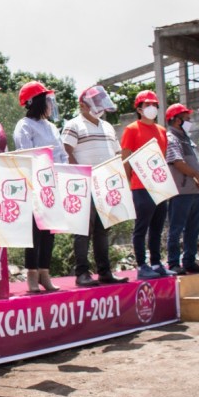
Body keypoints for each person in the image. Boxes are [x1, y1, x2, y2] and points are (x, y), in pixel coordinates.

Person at [62, 86, 128, 287]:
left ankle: (105, 272)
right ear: (82, 105)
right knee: (83, 229)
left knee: (103, 229)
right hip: (84, 184)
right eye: (95, 103)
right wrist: (78, 178)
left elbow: (117, 153)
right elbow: (67, 152)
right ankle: (82, 273)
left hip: (106, 184)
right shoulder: (73, 125)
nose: (99, 107)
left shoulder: (107, 127)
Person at [13, 81, 67, 292]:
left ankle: (45, 272)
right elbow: (26, 154)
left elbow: (61, 153)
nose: (50, 105)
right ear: (36, 102)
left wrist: (63, 172)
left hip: (53, 185)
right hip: (35, 184)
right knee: (34, 232)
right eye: (47, 100)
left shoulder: (52, 127)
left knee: (49, 231)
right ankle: (32, 275)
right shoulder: (24, 125)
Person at [120, 90, 174, 280]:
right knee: (141, 227)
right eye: (147, 105)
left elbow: (162, 158)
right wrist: (127, 184)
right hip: (140, 186)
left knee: (158, 227)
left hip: (159, 186)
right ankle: (142, 265)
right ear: (139, 108)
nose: (152, 108)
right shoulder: (131, 129)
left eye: (154, 105)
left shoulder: (161, 131)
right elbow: (125, 158)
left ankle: (157, 263)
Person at [165, 103, 199, 275]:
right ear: (177, 120)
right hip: (181, 191)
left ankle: (190, 261)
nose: (189, 121)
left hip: (194, 190)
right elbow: (177, 162)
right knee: (176, 228)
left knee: (193, 228)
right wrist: (196, 175)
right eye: (186, 118)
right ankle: (174, 262)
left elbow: (198, 161)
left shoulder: (187, 138)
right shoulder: (171, 138)